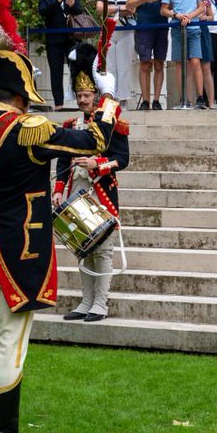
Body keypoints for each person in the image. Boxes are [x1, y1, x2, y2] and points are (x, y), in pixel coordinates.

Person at [0, 0, 119, 433]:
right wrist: (107, 100)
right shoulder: (28, 130)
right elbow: (94, 139)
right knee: (11, 341)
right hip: (15, 247)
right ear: (21, 90)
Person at [53, 43, 130, 323]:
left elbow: (123, 158)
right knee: (82, 247)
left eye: (87, 95)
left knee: (103, 249)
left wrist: (98, 164)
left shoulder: (113, 121)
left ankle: (100, 302)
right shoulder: (71, 125)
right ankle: (85, 301)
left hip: (101, 190)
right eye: (80, 95)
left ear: (97, 95)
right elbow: (63, 162)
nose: (83, 100)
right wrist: (59, 190)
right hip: (77, 189)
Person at [162, 0, 209, 109]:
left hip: (193, 27)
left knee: (195, 61)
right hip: (177, 28)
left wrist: (190, 16)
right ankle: (183, 99)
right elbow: (164, 9)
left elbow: (202, 7)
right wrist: (176, 14)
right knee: (180, 63)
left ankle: (200, 97)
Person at [37, 0, 83, 111]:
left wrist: (72, 5)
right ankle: (59, 104)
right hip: (54, 39)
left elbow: (79, 11)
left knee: (76, 69)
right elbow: (43, 12)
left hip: (70, 38)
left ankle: (81, 101)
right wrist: (55, 1)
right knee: (55, 71)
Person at [127, 0, 168, 111]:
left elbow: (172, 3)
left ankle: (157, 100)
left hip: (161, 26)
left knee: (159, 63)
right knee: (145, 63)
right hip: (144, 25)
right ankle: (145, 100)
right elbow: (129, 4)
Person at [96, 0, 135, 108]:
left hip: (126, 28)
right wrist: (120, 7)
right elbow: (100, 8)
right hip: (109, 28)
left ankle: (123, 99)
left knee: (124, 65)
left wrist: (113, 8)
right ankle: (110, 97)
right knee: (110, 66)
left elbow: (132, 8)